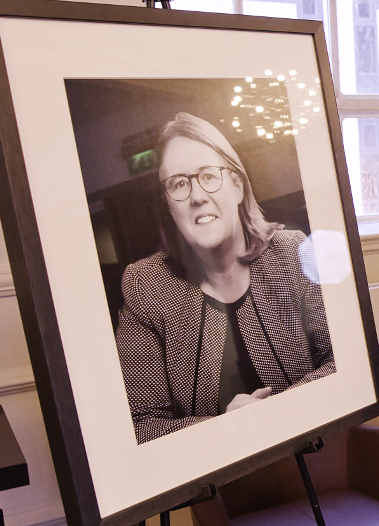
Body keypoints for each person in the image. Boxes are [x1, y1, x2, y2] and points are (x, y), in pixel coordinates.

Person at [117, 113, 335, 444]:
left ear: (237, 185)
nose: (196, 196)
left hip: (312, 457)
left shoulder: (292, 253)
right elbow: (140, 423)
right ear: (168, 205)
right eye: (178, 183)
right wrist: (226, 427)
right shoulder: (145, 284)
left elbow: (340, 361)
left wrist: (273, 412)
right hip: (213, 488)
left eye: (208, 176)